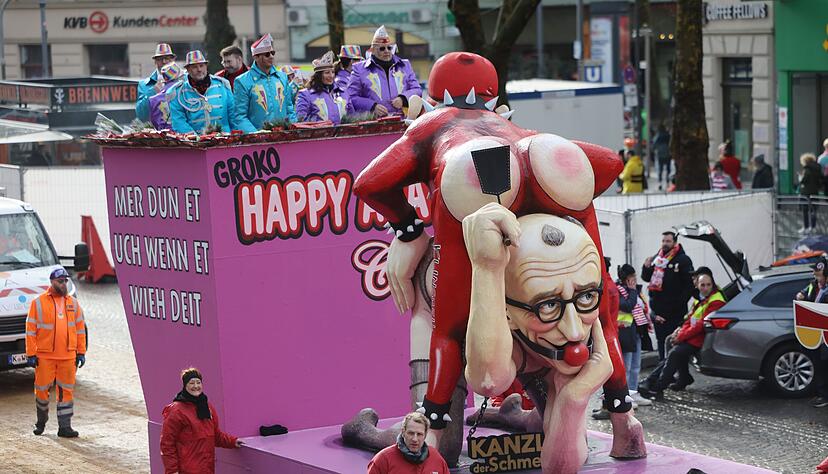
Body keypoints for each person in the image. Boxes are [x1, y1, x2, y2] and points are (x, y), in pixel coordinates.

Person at [463, 205, 646, 471]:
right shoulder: (501, 317)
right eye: (548, 305)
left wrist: (574, 396)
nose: (574, 332)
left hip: (543, 363)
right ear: (506, 312)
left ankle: (519, 416)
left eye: (586, 296)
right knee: (446, 436)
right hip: (507, 340)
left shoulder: (578, 333)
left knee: (555, 421)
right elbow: (488, 381)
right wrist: (487, 269)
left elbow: (561, 468)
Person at [639, 274, 725, 398]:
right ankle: (682, 377)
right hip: (694, 336)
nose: (705, 288)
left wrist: (680, 337)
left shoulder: (715, 301)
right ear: (697, 285)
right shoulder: (702, 299)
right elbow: (690, 320)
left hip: (703, 338)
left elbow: (699, 325)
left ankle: (658, 386)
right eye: (702, 285)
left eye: (708, 285)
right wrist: (678, 333)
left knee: (675, 353)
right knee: (671, 344)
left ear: (713, 285)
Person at [25, 267, 87, 437]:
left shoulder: (74, 304)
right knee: (42, 390)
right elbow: (30, 330)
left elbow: (80, 330)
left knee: (66, 391)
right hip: (45, 357)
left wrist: (81, 352)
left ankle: (65, 427)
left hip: (68, 357)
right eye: (60, 281)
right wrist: (31, 353)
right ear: (52, 282)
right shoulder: (38, 303)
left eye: (65, 281)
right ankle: (41, 422)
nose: (63, 284)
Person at [160, 368, 243, 473]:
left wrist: (233, 441)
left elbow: (216, 435)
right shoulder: (176, 410)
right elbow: (167, 444)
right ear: (185, 385)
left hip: (207, 469)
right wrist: (172, 470)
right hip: (187, 470)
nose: (196, 386)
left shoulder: (207, 407)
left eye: (198, 382)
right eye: (191, 383)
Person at [347, 25, 422, 118]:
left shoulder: (404, 65)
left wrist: (403, 98)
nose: (387, 51)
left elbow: (417, 90)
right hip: (375, 122)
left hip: (404, 120)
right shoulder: (359, 69)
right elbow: (351, 97)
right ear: (373, 50)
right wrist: (372, 106)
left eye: (389, 48)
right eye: (382, 48)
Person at [641, 231, 695, 360]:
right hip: (658, 313)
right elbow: (646, 278)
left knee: (675, 343)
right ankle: (663, 368)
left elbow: (689, 287)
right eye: (663, 241)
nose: (665, 244)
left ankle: (677, 370)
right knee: (661, 343)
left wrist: (676, 305)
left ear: (675, 243)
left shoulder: (683, 260)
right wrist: (646, 267)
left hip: (675, 313)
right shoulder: (657, 258)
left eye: (668, 241)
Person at [234, 34, 296, 133]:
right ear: (256, 57)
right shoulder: (242, 81)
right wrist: (255, 134)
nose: (271, 56)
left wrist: (294, 130)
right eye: (267, 54)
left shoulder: (282, 77)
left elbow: (289, 109)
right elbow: (240, 116)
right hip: (258, 139)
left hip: (284, 136)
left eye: (272, 53)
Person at [167, 51, 237, 134]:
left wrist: (235, 136)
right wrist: (196, 138)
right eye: (194, 67)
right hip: (195, 140)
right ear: (188, 70)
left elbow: (233, 115)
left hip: (225, 138)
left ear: (206, 66)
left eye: (201, 66)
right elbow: (179, 122)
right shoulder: (177, 93)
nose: (199, 70)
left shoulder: (222, 85)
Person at [616, 264, 653, 407]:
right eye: (632, 277)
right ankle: (625, 396)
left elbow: (642, 307)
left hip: (637, 332)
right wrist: (632, 291)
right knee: (626, 367)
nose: (635, 279)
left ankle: (634, 393)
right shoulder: (619, 290)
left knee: (636, 366)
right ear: (626, 279)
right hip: (625, 334)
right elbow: (627, 306)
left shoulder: (636, 291)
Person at [367, 412, 449, 474]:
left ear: (425, 435)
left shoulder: (436, 458)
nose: (415, 439)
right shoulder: (383, 459)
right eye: (411, 433)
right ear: (403, 432)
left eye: (419, 434)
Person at [795, 257, 828, 409]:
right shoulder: (813, 285)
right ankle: (822, 394)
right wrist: (800, 296)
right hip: (814, 333)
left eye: (818, 273)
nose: (815, 275)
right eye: (815, 272)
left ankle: (824, 395)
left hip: (825, 333)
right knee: (819, 365)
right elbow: (803, 295)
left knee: (825, 364)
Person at [296, 51, 352, 125]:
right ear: (319, 76)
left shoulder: (343, 92)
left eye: (332, 72)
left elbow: (352, 117)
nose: (331, 76)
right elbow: (301, 121)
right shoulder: (305, 95)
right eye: (327, 73)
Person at [137, 43, 176, 121]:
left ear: (173, 60)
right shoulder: (144, 85)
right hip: (156, 127)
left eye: (167, 58)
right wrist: (152, 92)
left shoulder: (183, 80)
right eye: (160, 59)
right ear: (155, 62)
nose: (164, 62)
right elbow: (141, 115)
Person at [148, 62, 185, 130]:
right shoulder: (183, 92)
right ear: (179, 77)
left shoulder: (153, 99)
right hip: (183, 133)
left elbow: (154, 122)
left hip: (163, 134)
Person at [799, 153, 822, 233]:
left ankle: (806, 227)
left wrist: (800, 177)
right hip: (815, 191)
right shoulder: (818, 169)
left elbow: (803, 181)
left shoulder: (807, 169)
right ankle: (813, 226)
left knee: (805, 210)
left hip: (806, 192)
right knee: (813, 210)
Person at [653, 123, 671, 189]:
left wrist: (654, 150)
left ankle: (660, 183)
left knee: (660, 169)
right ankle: (667, 181)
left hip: (660, 154)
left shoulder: (658, 136)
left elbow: (654, 144)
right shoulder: (668, 135)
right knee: (668, 169)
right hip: (668, 153)